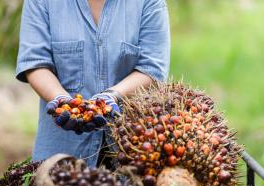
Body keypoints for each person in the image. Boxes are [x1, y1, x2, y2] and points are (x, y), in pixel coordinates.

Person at [16, 0, 170, 166]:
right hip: (61, 154)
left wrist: (113, 96)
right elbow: (35, 62)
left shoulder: (148, 3)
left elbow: (152, 69)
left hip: (131, 150)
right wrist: (60, 99)